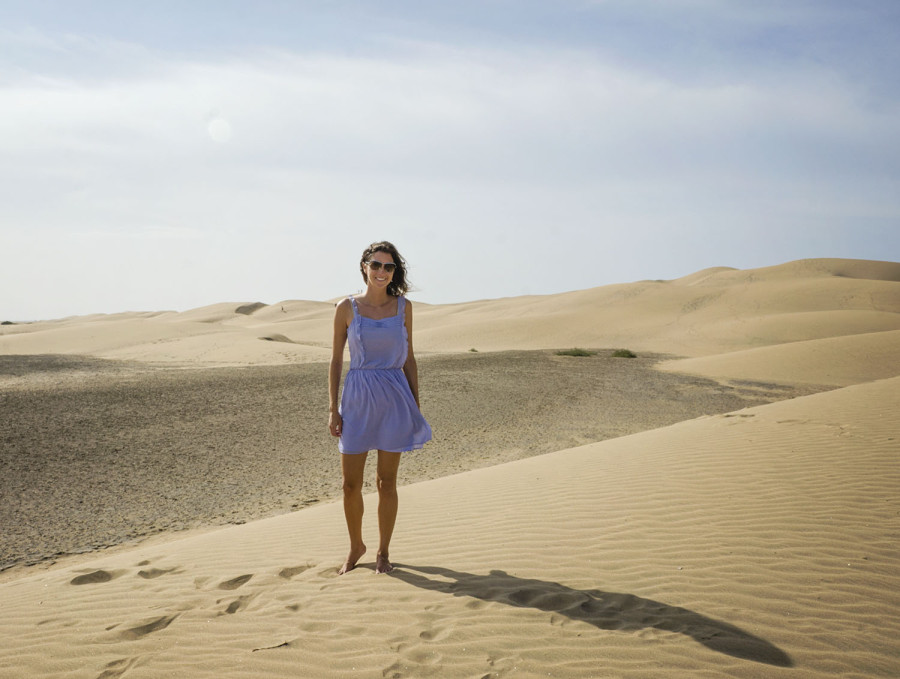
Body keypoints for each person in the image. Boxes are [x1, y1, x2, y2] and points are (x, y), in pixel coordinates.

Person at [328, 241, 432, 574]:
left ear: (394, 272)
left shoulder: (404, 307)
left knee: (387, 482)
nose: (381, 272)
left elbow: (410, 359)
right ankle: (356, 545)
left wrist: (415, 405)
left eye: (388, 267)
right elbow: (334, 360)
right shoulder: (346, 308)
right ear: (364, 266)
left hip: (394, 397)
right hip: (357, 397)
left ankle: (384, 552)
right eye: (376, 265)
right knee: (350, 484)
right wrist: (333, 408)